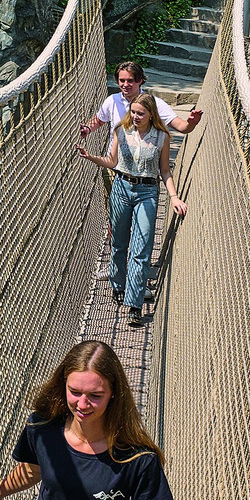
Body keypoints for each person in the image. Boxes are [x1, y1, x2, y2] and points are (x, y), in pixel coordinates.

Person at [0, 341, 174, 500]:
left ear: (113, 393)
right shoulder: (41, 428)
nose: (82, 404)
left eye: (95, 395)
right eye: (75, 392)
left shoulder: (137, 458)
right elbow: (33, 470)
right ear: (63, 386)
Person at [76, 94, 187, 327]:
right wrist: (91, 157)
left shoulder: (162, 137)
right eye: (133, 112)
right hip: (121, 188)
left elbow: (164, 171)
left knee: (142, 246)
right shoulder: (121, 131)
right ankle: (118, 285)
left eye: (140, 113)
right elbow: (112, 162)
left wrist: (174, 197)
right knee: (119, 241)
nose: (135, 117)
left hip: (147, 191)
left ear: (151, 115)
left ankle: (134, 304)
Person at [79, 61, 201, 139]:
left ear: (140, 81)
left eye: (130, 80)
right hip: (115, 164)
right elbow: (100, 120)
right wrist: (88, 128)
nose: (125, 85)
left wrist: (191, 123)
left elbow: (182, 127)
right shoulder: (112, 101)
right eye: (122, 81)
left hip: (144, 169)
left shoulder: (155, 103)